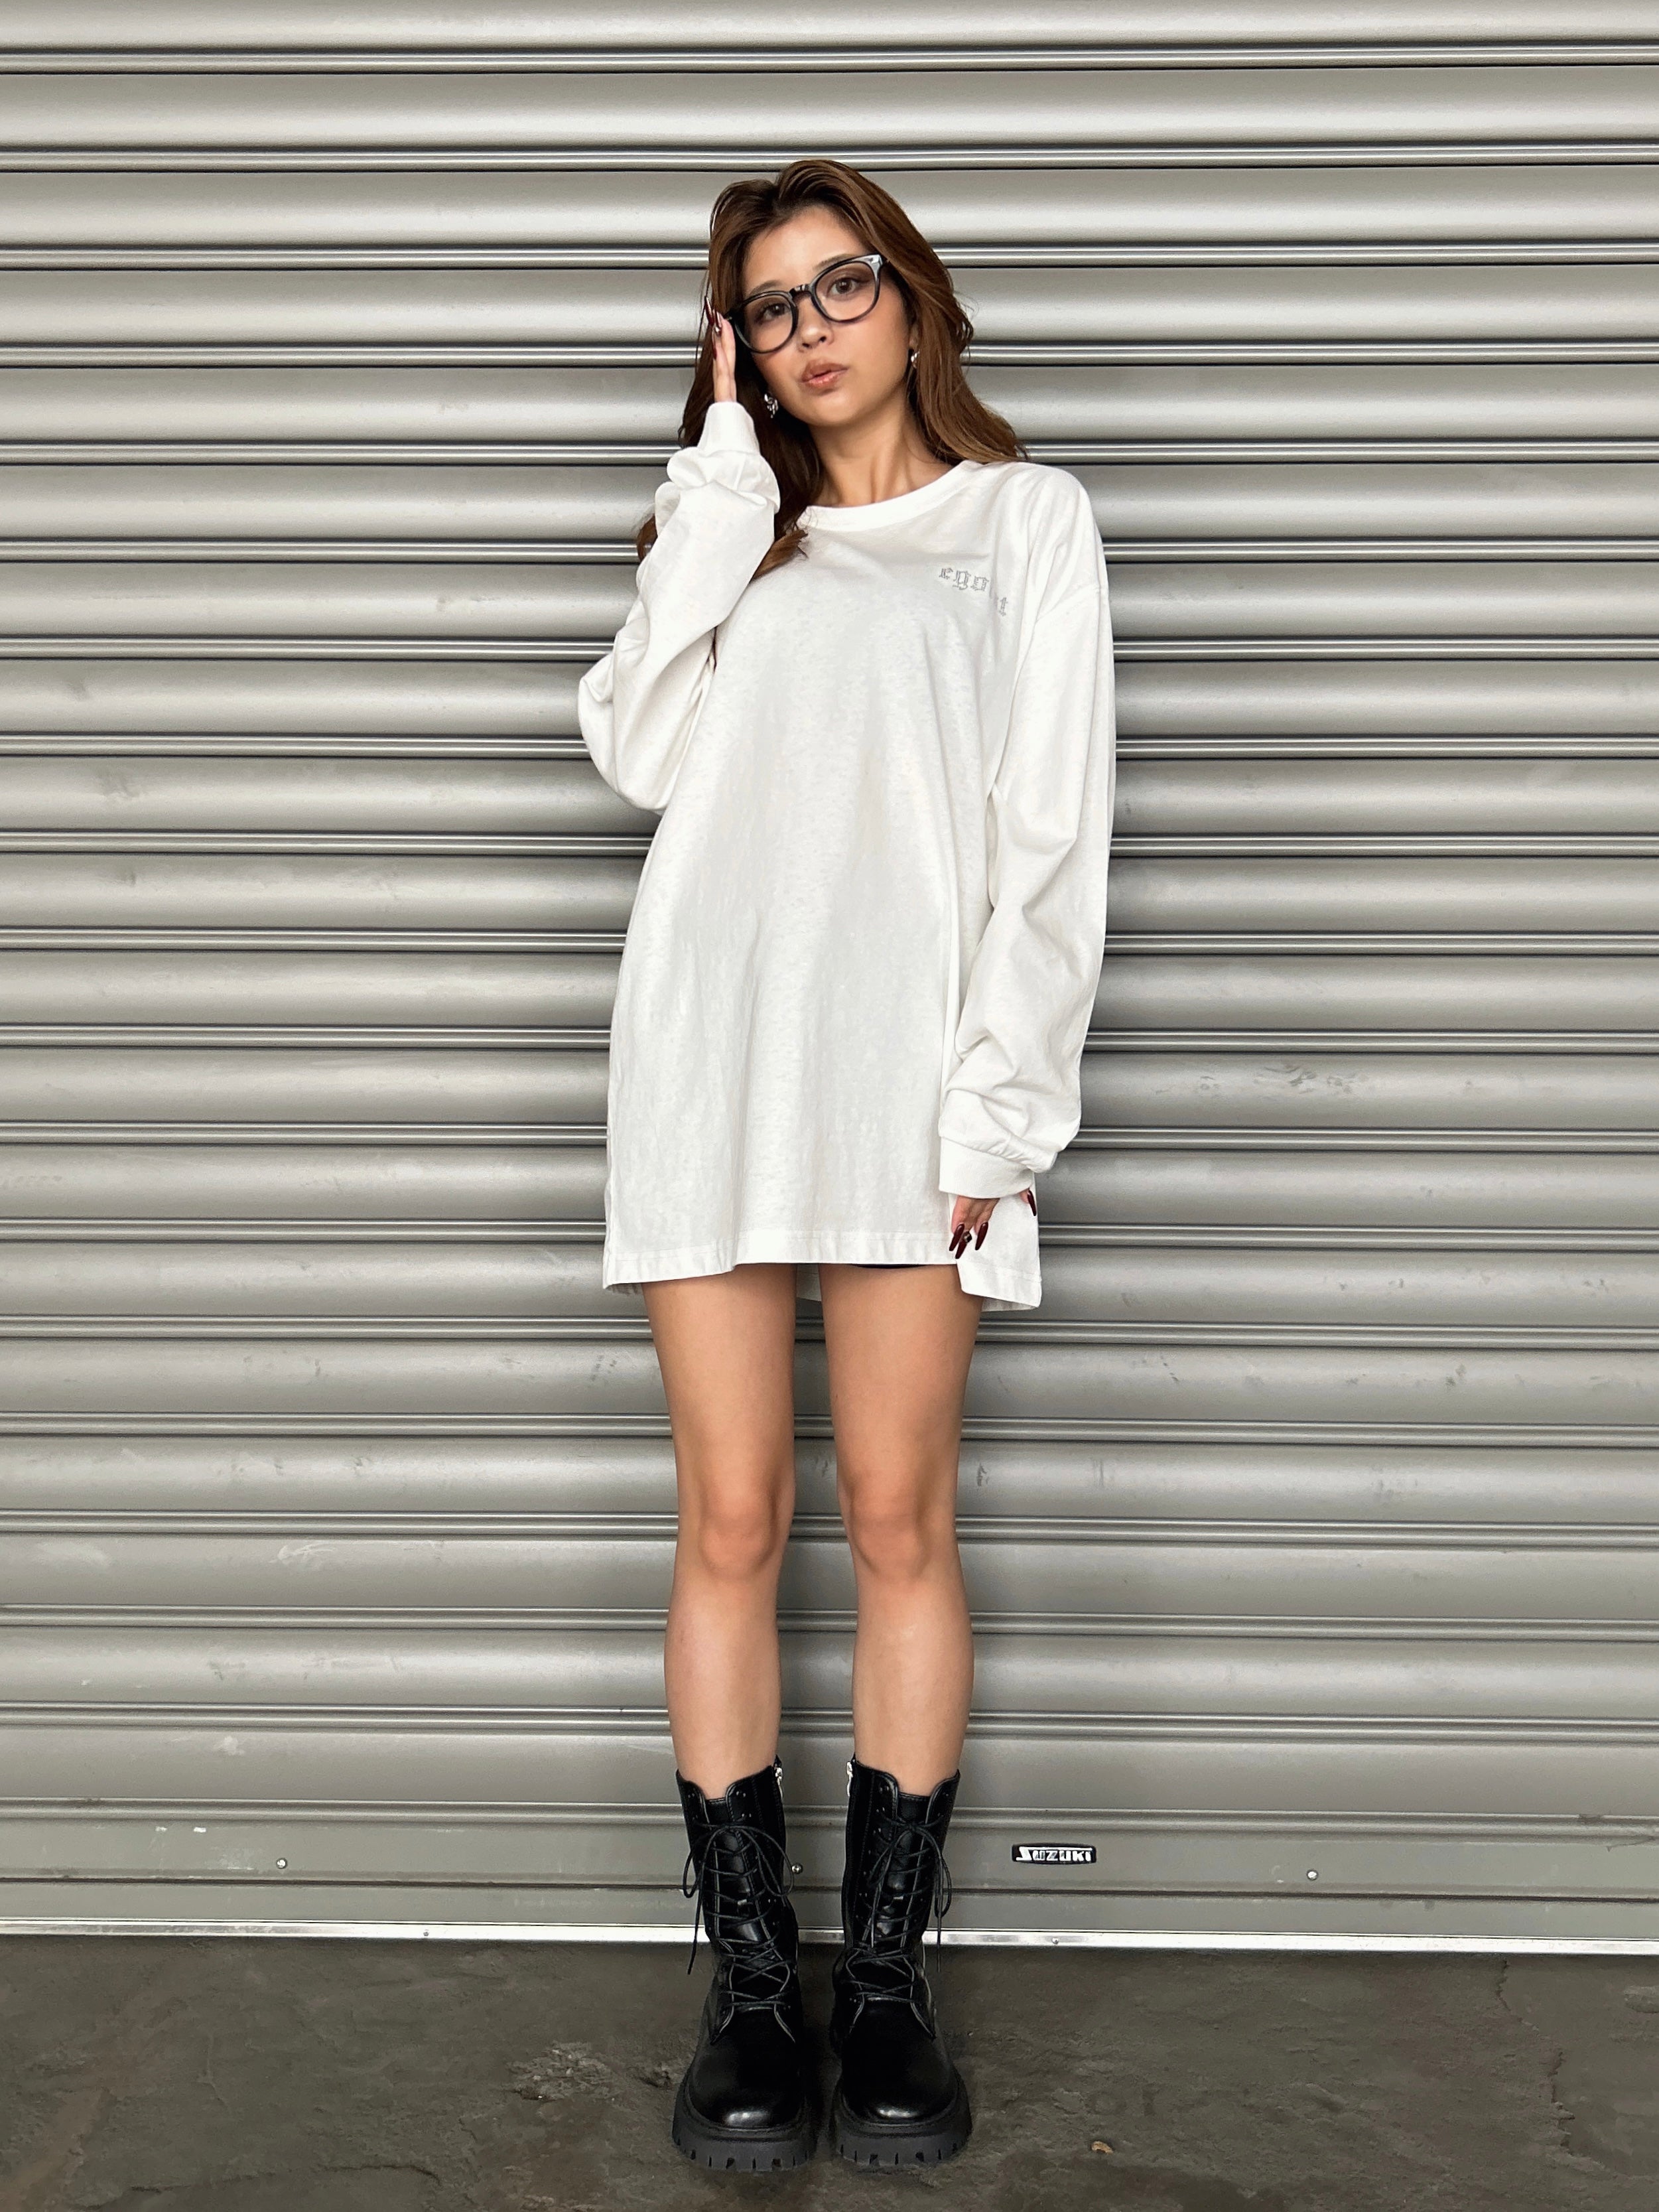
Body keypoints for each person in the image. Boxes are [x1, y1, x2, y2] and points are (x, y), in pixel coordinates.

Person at [576, 155, 1116, 2173]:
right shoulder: (737, 534)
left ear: (915, 296)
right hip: (710, 1065)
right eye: (767, 307)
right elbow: (636, 749)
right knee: (730, 1519)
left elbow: (1054, 848)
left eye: (840, 284)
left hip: (907, 1090)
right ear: (734, 347)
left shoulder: (1025, 525)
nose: (811, 329)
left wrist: (999, 1113)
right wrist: (720, 487)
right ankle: (748, 1992)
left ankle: (882, 1989)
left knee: (899, 1517)